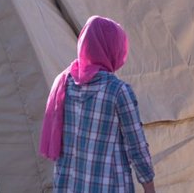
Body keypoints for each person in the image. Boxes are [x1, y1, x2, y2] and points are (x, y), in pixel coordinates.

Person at [39, 16, 156, 193]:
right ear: (113, 49)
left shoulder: (64, 84)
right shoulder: (118, 91)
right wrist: (150, 188)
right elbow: (137, 148)